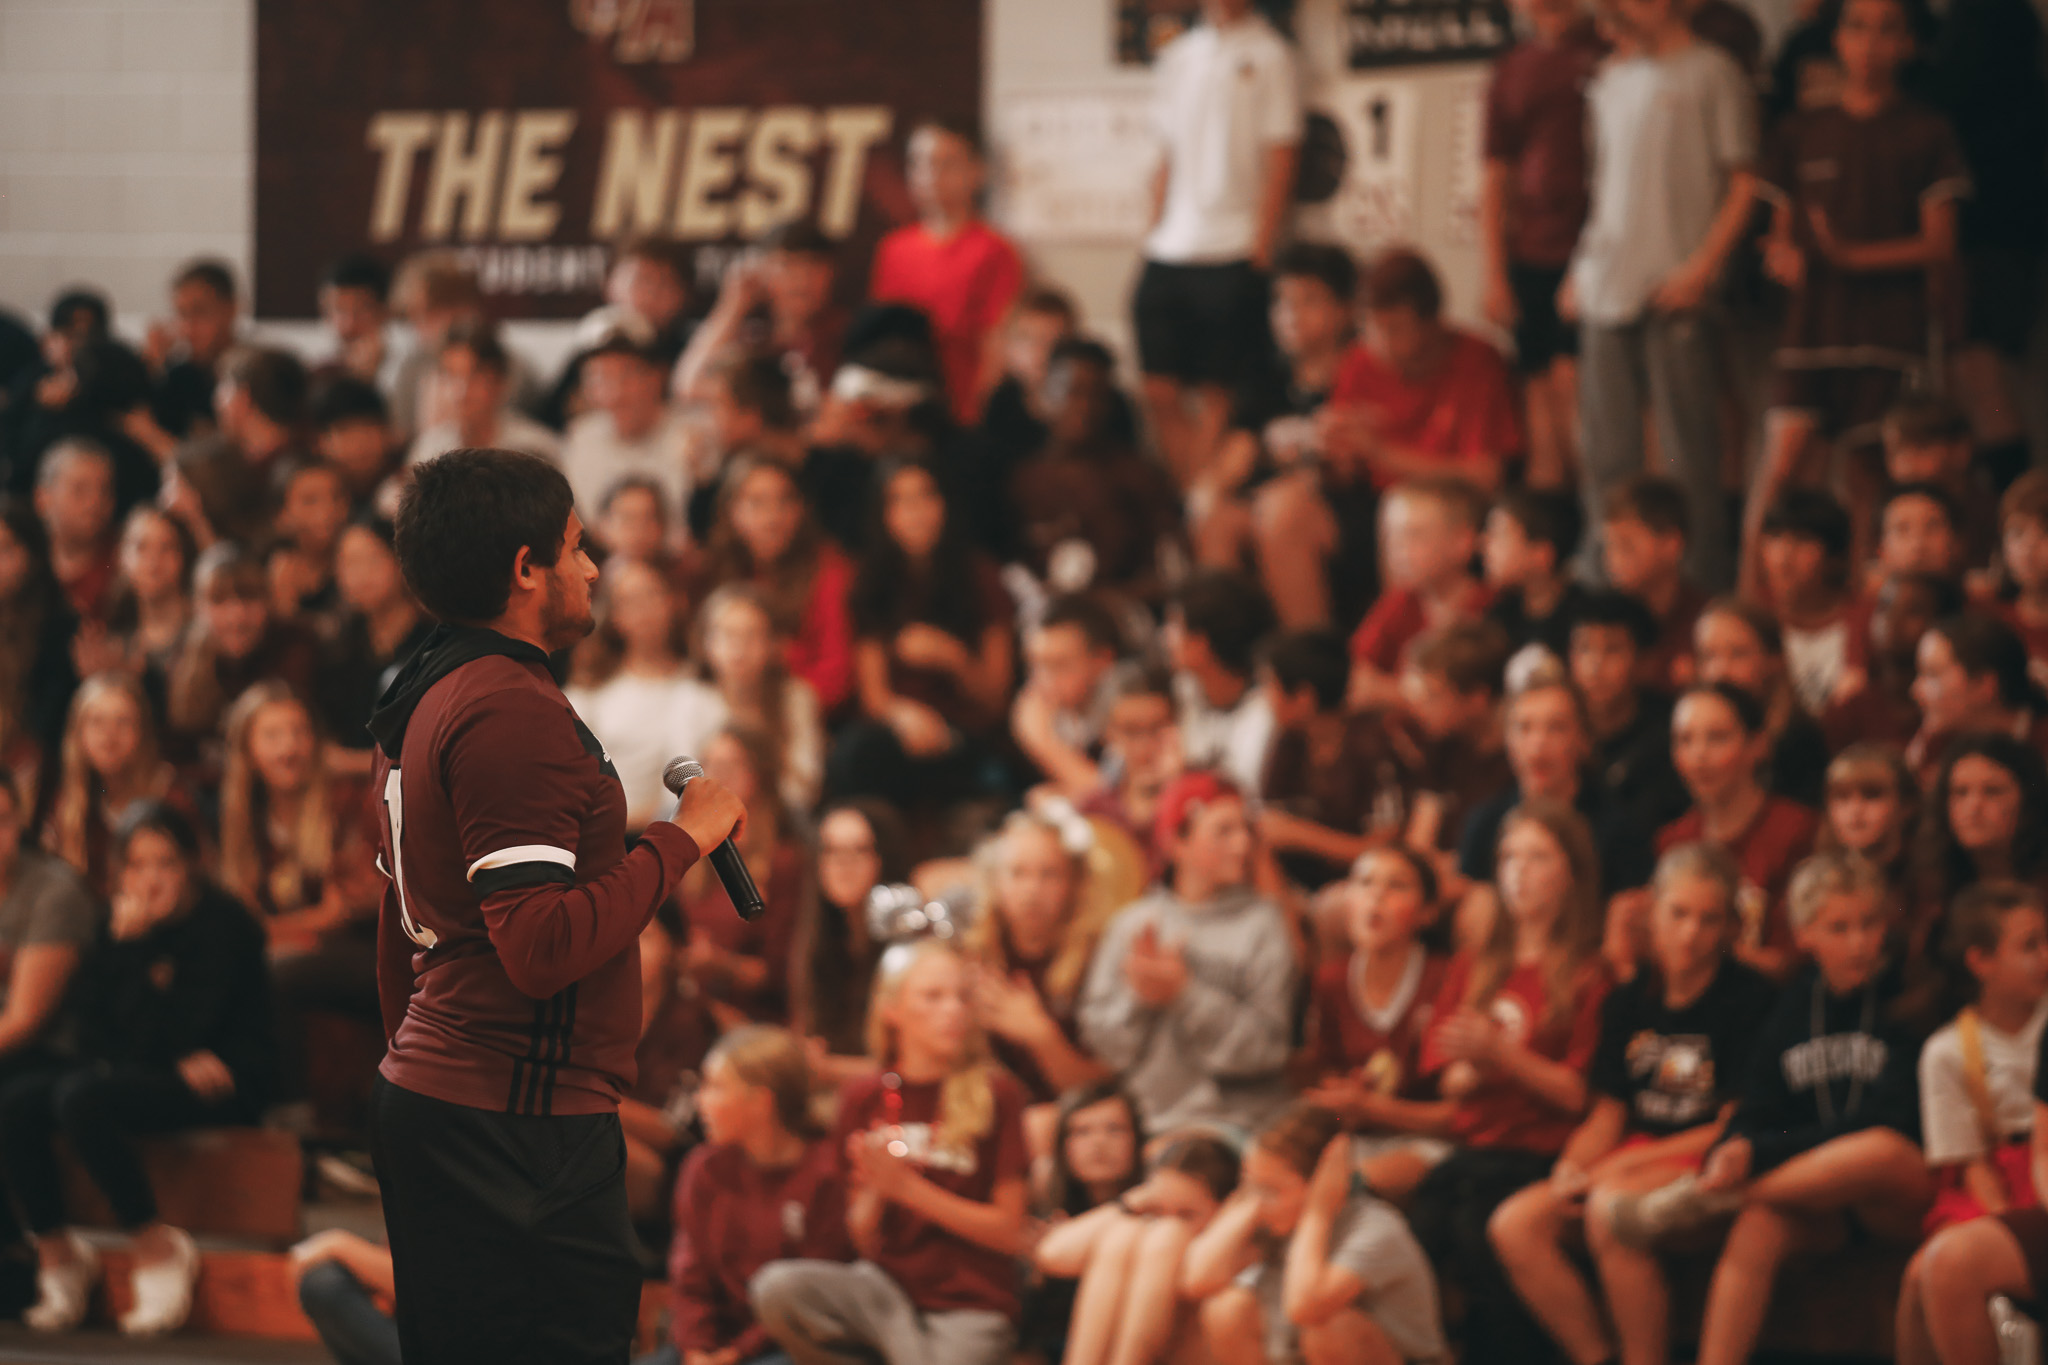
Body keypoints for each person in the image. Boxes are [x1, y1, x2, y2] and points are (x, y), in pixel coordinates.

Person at [365, 448, 746, 1365]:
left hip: (449, 1094)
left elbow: (396, 930)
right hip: (516, 1124)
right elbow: (537, 944)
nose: (594, 569)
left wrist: (415, 1067)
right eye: (576, 547)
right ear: (524, 569)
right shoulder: (509, 709)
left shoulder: (423, 687)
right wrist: (680, 838)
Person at [1605, 851, 1930, 1365]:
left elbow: (1889, 1117)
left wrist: (1764, 1157)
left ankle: (1712, 1198)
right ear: (1804, 934)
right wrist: (1742, 1145)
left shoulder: (1909, 998)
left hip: (1894, 1193)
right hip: (1813, 1190)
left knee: (1878, 1148)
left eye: (1869, 924)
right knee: (1760, 1225)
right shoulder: (1795, 1004)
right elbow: (1760, 1105)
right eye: (1839, 927)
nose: (1860, 942)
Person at [1489, 841, 1775, 1365]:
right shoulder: (1627, 1000)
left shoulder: (1750, 998)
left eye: (1709, 919)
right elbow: (1609, 1111)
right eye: (1679, 914)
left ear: (1731, 927)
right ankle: (1598, 1356)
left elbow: (1732, 1125)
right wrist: (1572, 1166)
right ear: (1654, 914)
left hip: (1708, 1160)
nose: (1691, 934)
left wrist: (1619, 1164)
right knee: (1515, 1224)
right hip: (1634, 1153)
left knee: (1610, 1208)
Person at [0, 801, 273, 1337]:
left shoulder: (224, 922)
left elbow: (186, 1032)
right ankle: (57, 1253)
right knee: (16, 1101)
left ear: (192, 864)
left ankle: (155, 1244)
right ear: (120, 869)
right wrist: (134, 954)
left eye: (165, 863)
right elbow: (99, 1032)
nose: (150, 880)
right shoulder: (115, 923)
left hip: (226, 1082)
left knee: (81, 1097)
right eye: (137, 865)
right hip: (151, 1070)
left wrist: (141, 953)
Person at [1745, 0, 1964, 546]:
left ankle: (1862, 611)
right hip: (1811, 326)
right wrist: (1783, 255)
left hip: (1889, 329)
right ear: (1837, 39)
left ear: (1909, 45)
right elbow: (1780, 230)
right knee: (1781, 470)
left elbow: (1940, 243)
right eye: (1858, 28)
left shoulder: (1927, 130)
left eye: (1888, 31)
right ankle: (1749, 614)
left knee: (1871, 477)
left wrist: (1850, 258)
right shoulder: (1801, 129)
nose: (1871, 44)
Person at [750, 940, 1031, 1365]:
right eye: (933, 996)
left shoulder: (999, 1093)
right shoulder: (862, 1097)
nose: (953, 1009)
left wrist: (907, 1189)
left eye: (962, 997)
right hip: (884, 1293)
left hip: (970, 1303)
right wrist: (876, 1193)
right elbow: (861, 1237)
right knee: (777, 1289)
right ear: (892, 1009)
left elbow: (1010, 1231)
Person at [1408, 799, 1611, 1365]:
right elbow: (1447, 1080)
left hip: (1538, 1153)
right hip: (1476, 1146)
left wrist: (1501, 1054)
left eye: (1538, 857)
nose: (1519, 871)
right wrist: (1474, 1068)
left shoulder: (1589, 972)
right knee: (1424, 1223)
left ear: (1572, 871)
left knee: (1480, 1232)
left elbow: (1577, 1093)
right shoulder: (1475, 964)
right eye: (1509, 857)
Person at [1569, 0, 1756, 592]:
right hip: (1606, 285)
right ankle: (1608, 588)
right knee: (1606, 454)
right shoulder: (1610, 78)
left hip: (1677, 286)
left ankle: (1699, 590)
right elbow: (1603, 188)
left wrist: (1705, 267)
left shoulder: (1713, 70)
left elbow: (1744, 180)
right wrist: (1579, 269)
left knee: (1687, 454)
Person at [1132, 0, 1301, 486]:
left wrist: (1262, 248)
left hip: (1235, 247)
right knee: (1158, 390)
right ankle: (1192, 496)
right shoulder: (1178, 55)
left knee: (1217, 394)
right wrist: (1151, 233)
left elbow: (1282, 152)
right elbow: (1163, 153)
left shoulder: (1271, 54)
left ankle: (1201, 509)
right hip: (1170, 248)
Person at [1078, 771, 1297, 1136]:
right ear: (1175, 842)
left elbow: (1269, 1050)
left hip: (1240, 1125)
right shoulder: (1132, 924)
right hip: (1146, 1123)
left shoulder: (1264, 925)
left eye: (1246, 830)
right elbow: (1107, 1050)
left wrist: (1185, 994)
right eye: (1224, 831)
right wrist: (1140, 998)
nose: (1243, 844)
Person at [645, 1026, 849, 1365]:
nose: (700, 1100)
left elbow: (813, 1293)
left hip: (791, 1344)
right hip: (712, 1345)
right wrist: (698, 1349)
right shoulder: (703, 1168)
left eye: (715, 1086)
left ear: (761, 1101)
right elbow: (689, 1276)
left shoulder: (825, 1174)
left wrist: (737, 1353)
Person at [1185, 1105, 1448, 1365]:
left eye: (1272, 1190)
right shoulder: (1268, 1218)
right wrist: (1247, 1204)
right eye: (1252, 1184)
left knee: (1329, 1327)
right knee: (1226, 1308)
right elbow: (1198, 1279)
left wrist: (1317, 1213)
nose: (1259, 1203)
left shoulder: (1376, 1228)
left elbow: (1304, 1307)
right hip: (1297, 1354)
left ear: (1322, 1184)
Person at [831, 459, 1014, 810]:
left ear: (945, 503)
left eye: (925, 497)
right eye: (899, 502)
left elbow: (995, 700)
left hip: (966, 731)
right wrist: (904, 716)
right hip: (898, 730)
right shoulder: (870, 580)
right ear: (883, 515)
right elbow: (875, 694)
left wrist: (953, 657)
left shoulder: (982, 575)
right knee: (853, 754)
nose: (914, 513)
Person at [1482, 0, 1605, 490]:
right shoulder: (1511, 68)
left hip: (1596, 251)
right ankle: (1551, 527)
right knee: (1537, 394)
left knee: (1578, 390)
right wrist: (1493, 272)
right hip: (1531, 252)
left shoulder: (1610, 51)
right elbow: (1495, 176)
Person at [1202, 243, 1356, 629]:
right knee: (1216, 519)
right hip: (1268, 500)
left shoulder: (1361, 374)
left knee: (1280, 511)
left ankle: (1306, 651)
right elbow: (1236, 455)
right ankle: (1228, 653)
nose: (1291, 316)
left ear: (1345, 309)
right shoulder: (1265, 379)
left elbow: (1351, 470)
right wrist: (1206, 493)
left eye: (1309, 302)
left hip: (1341, 505)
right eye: (1282, 304)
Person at [1302, 846, 1456, 1201]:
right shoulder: (1331, 981)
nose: (1376, 896)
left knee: (1344, 1185)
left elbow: (1457, 1119)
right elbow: (1324, 1085)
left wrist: (1374, 1108)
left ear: (1428, 912)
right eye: (1365, 882)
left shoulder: (1447, 979)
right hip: (1354, 1142)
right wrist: (1344, 1105)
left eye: (1396, 886)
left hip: (1426, 1145)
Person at [1653, 683, 1820, 980]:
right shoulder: (1673, 840)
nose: (1698, 755)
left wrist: (1711, 949)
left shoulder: (1796, 830)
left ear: (1757, 745)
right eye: (1684, 740)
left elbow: (1799, 961)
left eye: (1716, 738)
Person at [1323, 249, 1523, 497]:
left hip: (1448, 504)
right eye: (1369, 328)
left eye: (1394, 329)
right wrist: (1327, 454)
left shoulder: (1478, 361)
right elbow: (1345, 470)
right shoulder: (1359, 359)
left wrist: (1380, 452)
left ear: (1433, 322)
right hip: (1371, 501)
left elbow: (1485, 478)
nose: (1380, 344)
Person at [1033, 1130, 1241, 1365]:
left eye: (1186, 1215)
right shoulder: (1145, 1237)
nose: (1169, 1223)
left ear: (1227, 1208)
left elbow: (1197, 1277)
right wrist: (1131, 1202)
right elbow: (1052, 1254)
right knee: (1123, 1235)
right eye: (1158, 1210)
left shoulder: (1238, 1246)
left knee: (1164, 1238)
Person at [870, 119, 1025, 425]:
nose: (931, 177)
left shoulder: (995, 251)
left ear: (976, 172)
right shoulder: (893, 249)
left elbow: (996, 342)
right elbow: (882, 334)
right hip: (903, 409)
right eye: (920, 164)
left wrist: (980, 413)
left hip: (963, 410)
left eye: (946, 164)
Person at [1914, 881, 2048, 1234]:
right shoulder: (1946, 1052)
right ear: (1981, 961)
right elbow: (1972, 1165)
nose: (2046, 957)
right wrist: (2011, 1230)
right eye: (2029, 946)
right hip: (2000, 1183)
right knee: (1947, 1252)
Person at [960, 811, 1116, 1111]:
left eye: (1049, 874)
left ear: (1074, 883)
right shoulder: (970, 956)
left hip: (1072, 1122)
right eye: (1017, 873)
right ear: (994, 881)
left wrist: (1041, 1036)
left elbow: (1102, 1092)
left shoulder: (1099, 960)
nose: (1031, 890)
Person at [1459, 674, 1657, 904]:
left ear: (1583, 739)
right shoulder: (1484, 826)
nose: (1538, 744)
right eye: (1524, 728)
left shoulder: (1620, 832)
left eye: (1556, 728)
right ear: (1506, 739)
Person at [564, 558, 729, 830]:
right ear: (614, 616)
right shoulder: (590, 695)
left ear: (674, 601)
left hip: (689, 834)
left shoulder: (702, 689)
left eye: (652, 595)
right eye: (630, 601)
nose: (644, 611)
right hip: (612, 837)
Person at [689, 456, 856, 715]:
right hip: (726, 712)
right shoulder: (717, 567)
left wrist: (780, 660)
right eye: (757, 503)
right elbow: (702, 663)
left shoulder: (829, 571)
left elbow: (836, 683)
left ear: (802, 508)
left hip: (803, 713)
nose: (772, 517)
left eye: (785, 501)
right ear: (732, 510)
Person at [677, 726, 805, 1027]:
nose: (717, 776)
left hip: (758, 1020)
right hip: (695, 1013)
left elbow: (780, 974)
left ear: (760, 774)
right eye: (708, 766)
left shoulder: (783, 862)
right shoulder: (689, 856)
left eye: (731, 765)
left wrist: (719, 964)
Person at [1258, 628, 1402, 886]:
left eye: (1270, 685)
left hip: (1361, 885)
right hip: (1297, 882)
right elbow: (1270, 819)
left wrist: (1300, 835)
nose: (1265, 698)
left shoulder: (1373, 744)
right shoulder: (1288, 741)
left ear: (1304, 698)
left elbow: (1385, 849)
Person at [1019, 1081, 1143, 1365]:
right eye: (1082, 1132)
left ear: (1137, 1139)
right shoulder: (1044, 1207)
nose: (1099, 1143)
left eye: (1115, 1129)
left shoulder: (1151, 1210)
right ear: (1063, 1146)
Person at [1348, 477, 1492, 712]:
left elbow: (1460, 704)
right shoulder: (1401, 601)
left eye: (1414, 535)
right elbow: (1356, 674)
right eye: (1391, 537)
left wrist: (1393, 694)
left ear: (1462, 542)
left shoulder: (1489, 608)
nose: (1398, 550)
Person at [791, 800, 906, 1087]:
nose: (844, 864)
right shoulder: (817, 940)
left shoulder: (907, 945)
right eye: (831, 851)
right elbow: (806, 1036)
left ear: (884, 859)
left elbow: (911, 1069)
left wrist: (829, 1069)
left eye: (859, 850)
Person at [42, 673, 182, 898]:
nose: (109, 734)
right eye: (97, 722)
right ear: (78, 735)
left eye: (123, 721)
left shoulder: (171, 799)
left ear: (142, 732)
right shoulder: (70, 803)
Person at [316, 517, 433, 773]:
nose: (361, 575)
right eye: (350, 563)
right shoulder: (339, 649)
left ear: (400, 562)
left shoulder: (433, 643)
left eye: (372, 559)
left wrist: (353, 763)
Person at [1692, 596, 1833, 807]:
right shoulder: (1687, 736)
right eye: (1709, 656)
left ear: (1773, 660)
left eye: (1738, 654)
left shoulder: (1799, 742)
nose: (1719, 672)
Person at [1569, 589, 1690, 832]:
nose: (1595, 665)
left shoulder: (1669, 735)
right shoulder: (1560, 726)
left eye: (1612, 650)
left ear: (1645, 662)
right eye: (1584, 648)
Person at [167, 345, 308, 551]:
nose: (216, 401)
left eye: (222, 388)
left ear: (242, 397)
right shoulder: (304, 451)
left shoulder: (287, 473)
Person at [700, 583, 825, 814]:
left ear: (772, 644)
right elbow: (681, 788)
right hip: (707, 816)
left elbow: (805, 788)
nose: (739, 648)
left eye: (752, 636)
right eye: (728, 635)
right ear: (707, 643)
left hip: (778, 819)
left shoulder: (796, 699)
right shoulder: (692, 701)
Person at [560, 324, 694, 528]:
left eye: (626, 376)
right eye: (599, 379)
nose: (614, 394)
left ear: (658, 377)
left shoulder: (692, 433)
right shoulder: (581, 436)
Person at [1753, 489, 1864, 717]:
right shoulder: (1756, 618)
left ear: (1835, 557)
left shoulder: (1864, 617)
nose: (1783, 556)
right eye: (1774, 538)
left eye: (1801, 540)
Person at [1165, 568, 1276, 794]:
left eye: (1175, 626)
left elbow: (1247, 792)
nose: (1165, 637)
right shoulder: (1183, 692)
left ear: (1200, 644)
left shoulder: (1267, 712)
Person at [1010, 594, 1126, 799]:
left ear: (1103, 659)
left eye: (1058, 665)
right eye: (1034, 664)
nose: (1042, 680)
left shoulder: (1132, 706)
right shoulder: (1064, 717)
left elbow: (1115, 804)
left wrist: (1042, 740)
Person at [1909, 614, 2048, 784]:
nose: (1915, 690)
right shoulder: (1934, 744)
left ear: (1984, 684)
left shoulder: (2041, 741)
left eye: (1932, 674)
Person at [1598, 476, 1704, 690]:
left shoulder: (1703, 622)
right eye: (1609, 547)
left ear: (1671, 544)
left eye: (1626, 546)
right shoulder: (1601, 621)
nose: (1613, 559)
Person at [402, 323, 559, 467]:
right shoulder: (428, 449)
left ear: (500, 381)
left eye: (473, 376)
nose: (460, 391)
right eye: (451, 376)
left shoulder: (536, 448)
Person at [1485, 486, 1590, 660]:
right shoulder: (1498, 618)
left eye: (1498, 535)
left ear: (1541, 554)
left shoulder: (1584, 620)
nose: (1483, 543)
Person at [146, 259, 238, 440]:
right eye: (181, 314)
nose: (188, 328)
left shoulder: (257, 372)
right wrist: (151, 368)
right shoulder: (178, 376)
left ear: (231, 309)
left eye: (200, 312)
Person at [34, 439, 118, 623]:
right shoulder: (23, 559)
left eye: (104, 491)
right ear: (43, 498)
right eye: (79, 490)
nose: (95, 503)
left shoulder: (125, 561)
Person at [314, 254, 396, 392]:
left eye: (360, 311)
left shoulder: (406, 370)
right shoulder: (317, 369)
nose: (349, 324)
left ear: (384, 312)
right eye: (339, 310)